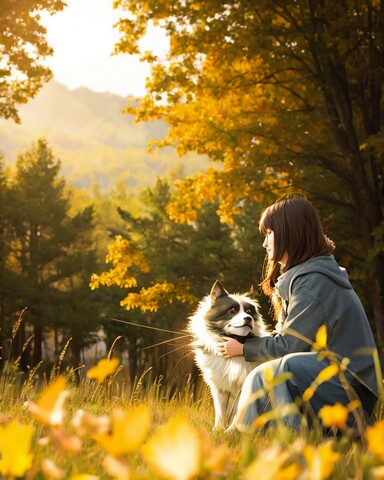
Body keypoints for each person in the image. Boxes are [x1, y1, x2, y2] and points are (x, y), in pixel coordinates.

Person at [217, 197, 379, 431]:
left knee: (281, 370)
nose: (264, 244)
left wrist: (244, 348)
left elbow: (292, 346)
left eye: (269, 233)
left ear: (288, 233)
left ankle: (245, 437)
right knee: (273, 375)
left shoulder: (312, 283)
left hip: (352, 389)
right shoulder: (309, 275)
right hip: (339, 383)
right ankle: (290, 437)